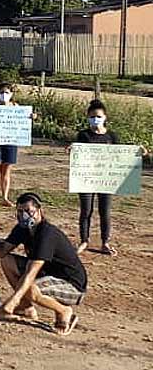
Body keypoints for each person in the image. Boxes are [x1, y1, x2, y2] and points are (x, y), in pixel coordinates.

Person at [0, 192, 85, 336]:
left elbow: (31, 272)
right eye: (20, 211)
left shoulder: (47, 234)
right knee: (7, 261)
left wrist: (12, 301)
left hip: (71, 285)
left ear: (39, 210)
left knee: (30, 287)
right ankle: (26, 307)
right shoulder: (22, 229)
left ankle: (64, 310)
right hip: (47, 276)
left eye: (28, 211)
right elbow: (1, 252)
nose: (23, 215)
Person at [73, 100, 119, 255]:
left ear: (105, 117)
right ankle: (84, 241)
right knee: (86, 210)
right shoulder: (83, 135)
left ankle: (105, 242)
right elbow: (78, 154)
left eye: (98, 116)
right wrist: (73, 150)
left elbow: (121, 155)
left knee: (105, 211)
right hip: (86, 178)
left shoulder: (112, 136)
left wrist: (138, 152)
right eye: (92, 117)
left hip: (106, 179)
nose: (95, 119)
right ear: (88, 117)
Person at [0, 82, 34, 208]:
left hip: (10, 140)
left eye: (7, 92)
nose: (4, 95)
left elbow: (23, 120)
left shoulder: (16, 107)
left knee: (6, 169)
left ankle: (5, 197)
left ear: (12, 94)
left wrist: (31, 117)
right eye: (1, 92)